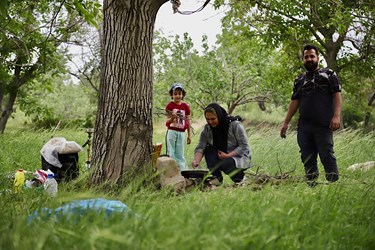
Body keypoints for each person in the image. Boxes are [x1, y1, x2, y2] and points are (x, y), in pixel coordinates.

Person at [280, 44, 342, 183]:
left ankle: (334, 186)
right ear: (303, 59)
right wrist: (285, 123)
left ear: (318, 58)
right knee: (307, 158)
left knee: (327, 155)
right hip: (304, 126)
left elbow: (337, 95)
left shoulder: (329, 74)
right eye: (306, 57)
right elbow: (294, 101)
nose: (309, 59)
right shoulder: (299, 80)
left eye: (312, 56)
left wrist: (336, 116)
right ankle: (312, 187)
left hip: (323, 124)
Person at [192, 103, 252, 185]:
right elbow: (201, 147)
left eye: (213, 119)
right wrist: (196, 160)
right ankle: (217, 178)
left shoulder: (235, 125)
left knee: (226, 162)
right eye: (208, 119)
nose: (210, 122)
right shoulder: (207, 128)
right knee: (208, 150)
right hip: (221, 155)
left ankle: (240, 179)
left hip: (237, 157)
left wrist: (228, 155)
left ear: (219, 116)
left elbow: (244, 146)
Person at [165, 82, 191, 171]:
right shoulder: (170, 105)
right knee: (171, 152)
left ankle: (182, 171)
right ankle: (171, 170)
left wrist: (189, 135)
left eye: (179, 94)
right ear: (171, 95)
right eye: (175, 94)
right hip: (172, 131)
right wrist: (172, 118)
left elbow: (188, 121)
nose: (177, 96)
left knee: (180, 153)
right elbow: (167, 122)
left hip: (181, 133)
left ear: (182, 95)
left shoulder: (186, 106)